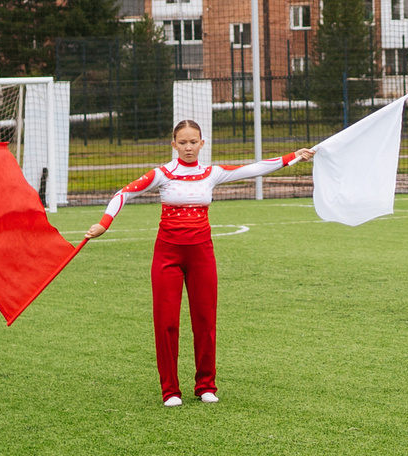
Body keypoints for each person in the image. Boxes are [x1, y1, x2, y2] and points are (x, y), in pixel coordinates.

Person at [82, 121, 310, 406]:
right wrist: (104, 223)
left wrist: (293, 157)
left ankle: (206, 385)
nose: (188, 147)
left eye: (193, 142)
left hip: (202, 255)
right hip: (167, 256)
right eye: (182, 142)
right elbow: (123, 193)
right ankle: (170, 391)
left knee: (205, 321)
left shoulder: (211, 174)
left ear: (202, 144)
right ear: (173, 144)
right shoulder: (162, 174)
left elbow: (253, 168)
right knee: (166, 323)